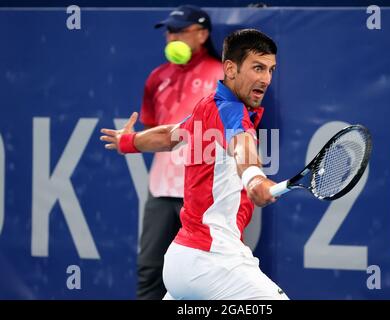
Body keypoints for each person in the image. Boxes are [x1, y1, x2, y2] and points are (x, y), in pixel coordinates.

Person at [101, 29, 288, 300]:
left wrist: (128, 142)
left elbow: (168, 136)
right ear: (230, 69)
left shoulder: (207, 106)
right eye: (257, 68)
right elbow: (242, 146)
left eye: (271, 70)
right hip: (214, 261)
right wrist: (254, 179)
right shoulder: (233, 113)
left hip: (181, 262)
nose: (266, 79)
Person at [137, 5, 223, 300]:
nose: (172, 37)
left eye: (180, 31)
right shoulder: (156, 77)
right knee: (150, 269)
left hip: (204, 192)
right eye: (169, 32)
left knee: (209, 275)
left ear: (202, 34)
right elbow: (152, 127)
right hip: (161, 189)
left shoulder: (222, 76)